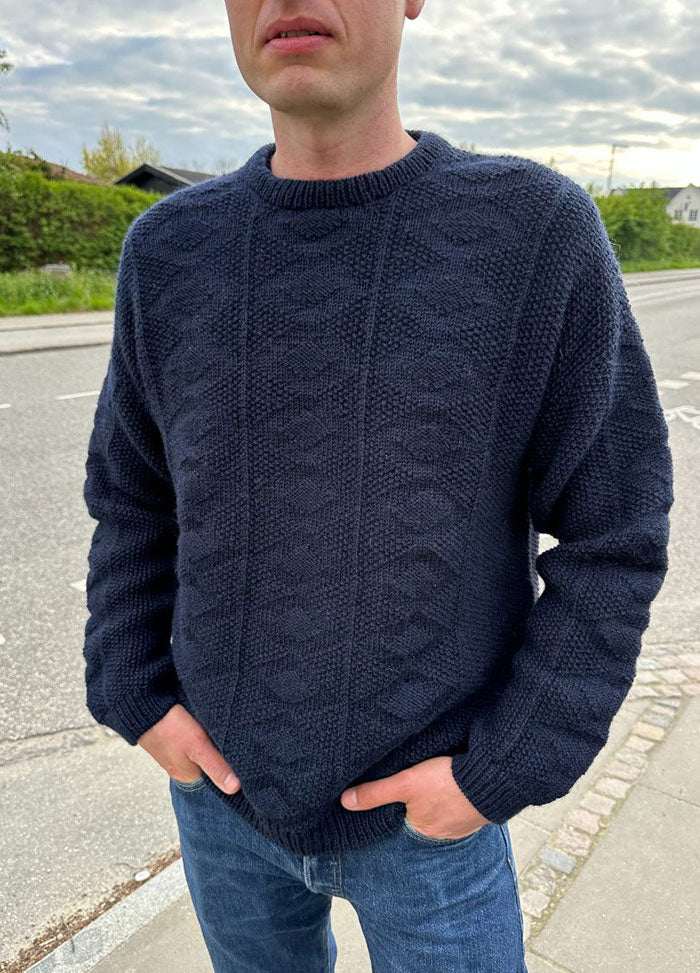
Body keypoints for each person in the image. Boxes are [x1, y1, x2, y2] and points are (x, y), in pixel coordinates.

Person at [81, 1, 674, 970]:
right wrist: (133, 689)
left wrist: (506, 767)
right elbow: (133, 502)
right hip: (221, 805)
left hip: (430, 834)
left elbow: (615, 527)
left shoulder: (530, 233)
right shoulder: (167, 253)